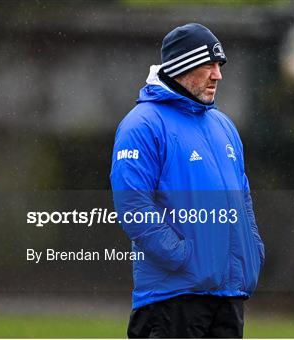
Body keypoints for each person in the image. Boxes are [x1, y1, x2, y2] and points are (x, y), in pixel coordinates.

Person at [110, 23, 265, 338]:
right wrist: (182, 256)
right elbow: (133, 204)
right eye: (208, 65)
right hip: (172, 299)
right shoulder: (142, 125)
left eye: (219, 65)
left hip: (229, 296)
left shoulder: (224, 126)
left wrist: (253, 250)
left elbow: (243, 199)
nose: (217, 75)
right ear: (181, 67)